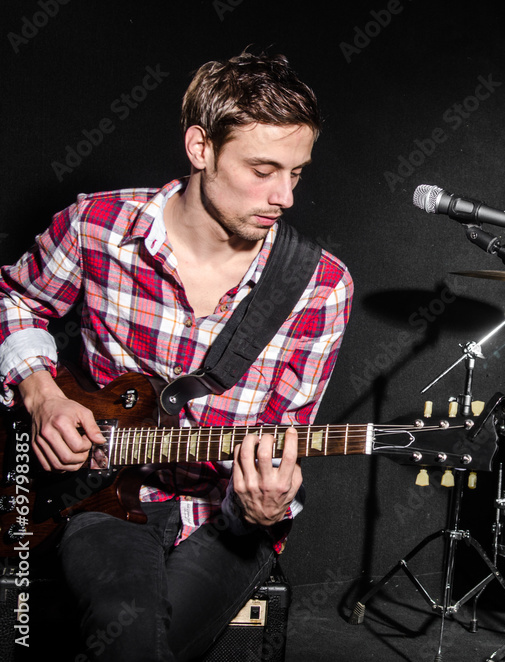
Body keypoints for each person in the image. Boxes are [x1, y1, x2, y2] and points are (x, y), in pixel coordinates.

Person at [0, 52, 353, 660]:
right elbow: (15, 299)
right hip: (103, 493)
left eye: (297, 172)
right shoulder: (97, 227)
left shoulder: (320, 285)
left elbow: (284, 435)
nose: (285, 196)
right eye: (263, 169)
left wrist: (270, 501)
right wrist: (42, 393)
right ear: (200, 148)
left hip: (229, 513)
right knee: (125, 622)